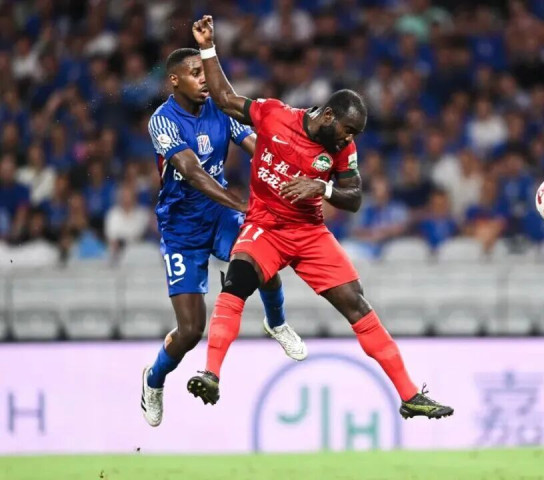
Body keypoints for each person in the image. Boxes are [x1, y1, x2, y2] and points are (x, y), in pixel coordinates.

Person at [186, 16, 453, 420]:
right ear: (328, 116)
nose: (350, 138)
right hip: (266, 227)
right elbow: (224, 99)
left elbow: (354, 197)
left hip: (309, 233)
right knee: (237, 282)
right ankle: (210, 373)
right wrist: (208, 47)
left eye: (355, 134)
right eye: (348, 129)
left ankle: (410, 395)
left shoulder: (342, 151)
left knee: (356, 304)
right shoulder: (274, 115)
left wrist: (322, 189)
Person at [141, 47, 307, 428]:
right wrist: (242, 203)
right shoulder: (162, 121)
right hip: (181, 229)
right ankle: (154, 379)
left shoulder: (220, 108)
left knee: (261, 259)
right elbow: (193, 173)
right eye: (195, 73)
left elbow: (256, 146)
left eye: (205, 72)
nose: (204, 79)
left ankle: (277, 322)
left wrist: (287, 174)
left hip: (219, 217)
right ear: (174, 80)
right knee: (190, 332)